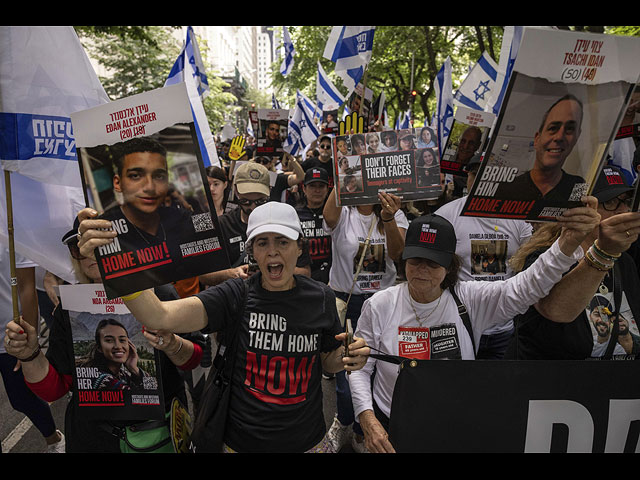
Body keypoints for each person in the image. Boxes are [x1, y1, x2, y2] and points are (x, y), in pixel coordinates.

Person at [74, 201, 371, 453]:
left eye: (282, 241)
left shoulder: (320, 297)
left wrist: (350, 356)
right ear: (251, 250)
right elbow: (159, 316)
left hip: (305, 441)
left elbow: (328, 360)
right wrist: (113, 259)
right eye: (262, 242)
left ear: (299, 247)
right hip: (240, 443)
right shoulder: (235, 295)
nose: (273, 252)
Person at [348, 197, 601, 453]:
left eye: (433, 263)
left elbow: (527, 286)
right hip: (393, 426)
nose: (422, 270)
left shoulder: (469, 299)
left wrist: (567, 243)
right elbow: (360, 367)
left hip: (454, 424)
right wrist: (368, 420)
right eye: (415, 260)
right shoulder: (379, 304)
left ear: (449, 266)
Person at [3, 222, 205, 452]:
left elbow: (194, 359)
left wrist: (172, 344)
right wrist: (30, 356)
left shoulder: (160, 293)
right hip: (92, 439)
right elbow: (54, 389)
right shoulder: (70, 307)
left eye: (102, 243)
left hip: (157, 436)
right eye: (79, 246)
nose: (90, 252)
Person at [504, 164, 640, 360]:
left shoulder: (624, 261)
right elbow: (556, 312)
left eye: (626, 201)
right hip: (553, 384)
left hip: (616, 385)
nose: (623, 210)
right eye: (610, 202)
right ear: (581, 211)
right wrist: (604, 254)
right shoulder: (544, 259)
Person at [322, 187, 408, 452]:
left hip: (382, 305)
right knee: (348, 371)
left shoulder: (395, 214)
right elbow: (328, 214)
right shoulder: (344, 212)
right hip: (347, 303)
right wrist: (346, 171)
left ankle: (360, 430)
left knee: (376, 370)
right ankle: (344, 419)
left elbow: (398, 254)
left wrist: (388, 217)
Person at [435, 153, 533, 359]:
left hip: (505, 326)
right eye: (473, 173)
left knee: (499, 388)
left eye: (486, 173)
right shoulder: (446, 215)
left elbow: (533, 263)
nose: (479, 179)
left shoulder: (518, 215)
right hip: (462, 322)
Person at [0, 249, 64, 453]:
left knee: (22, 398)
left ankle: (53, 438)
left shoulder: (7, 227)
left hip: (11, 334)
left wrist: (29, 342)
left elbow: (27, 287)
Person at [494, 94, 586, 206]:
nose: (559, 137)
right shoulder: (505, 189)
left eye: (570, 129)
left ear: (577, 138)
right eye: (553, 128)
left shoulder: (578, 185)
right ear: (537, 139)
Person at [296, 167, 332, 284]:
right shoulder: (295, 214)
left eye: (321, 186)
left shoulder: (335, 213)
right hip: (303, 278)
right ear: (304, 189)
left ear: (327, 189)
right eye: (312, 186)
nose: (317, 190)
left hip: (331, 277)